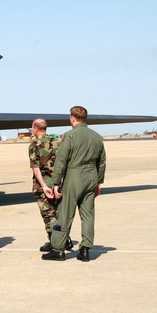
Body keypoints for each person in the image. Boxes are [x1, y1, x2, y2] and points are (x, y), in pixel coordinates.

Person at [42, 106, 106, 262]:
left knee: (64, 214)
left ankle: (58, 249)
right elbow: (102, 161)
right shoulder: (97, 137)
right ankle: (85, 249)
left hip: (74, 177)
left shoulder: (70, 136)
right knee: (88, 215)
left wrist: (56, 183)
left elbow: (61, 161)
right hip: (91, 177)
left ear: (72, 118)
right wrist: (98, 181)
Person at [28, 119, 72, 252]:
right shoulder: (58, 143)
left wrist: (43, 186)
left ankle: (56, 242)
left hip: (44, 185)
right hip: (59, 183)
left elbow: (36, 169)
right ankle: (65, 239)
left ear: (35, 128)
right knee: (58, 213)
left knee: (48, 215)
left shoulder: (34, 145)